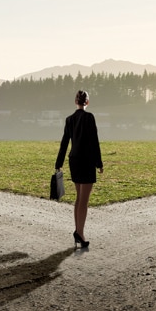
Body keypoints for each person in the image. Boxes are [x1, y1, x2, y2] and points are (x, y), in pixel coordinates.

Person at [55, 90, 103, 248]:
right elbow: (94, 141)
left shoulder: (69, 120)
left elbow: (64, 143)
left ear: (75, 102)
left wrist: (58, 163)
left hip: (73, 160)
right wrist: (99, 163)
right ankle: (80, 233)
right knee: (84, 200)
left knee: (79, 198)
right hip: (87, 161)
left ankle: (78, 231)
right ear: (87, 102)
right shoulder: (89, 117)